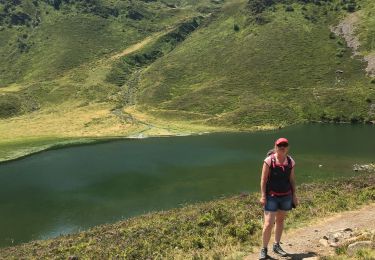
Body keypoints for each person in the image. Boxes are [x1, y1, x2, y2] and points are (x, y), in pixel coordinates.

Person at [259, 137, 299, 260]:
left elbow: (292, 180)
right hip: (271, 196)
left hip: (286, 195)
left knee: (280, 221)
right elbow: (263, 180)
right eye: (280, 145)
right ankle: (264, 249)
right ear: (275, 147)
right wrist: (263, 195)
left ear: (288, 147)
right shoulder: (269, 161)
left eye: (285, 145)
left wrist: (294, 196)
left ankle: (276, 245)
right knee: (268, 224)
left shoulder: (290, 161)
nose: (282, 147)